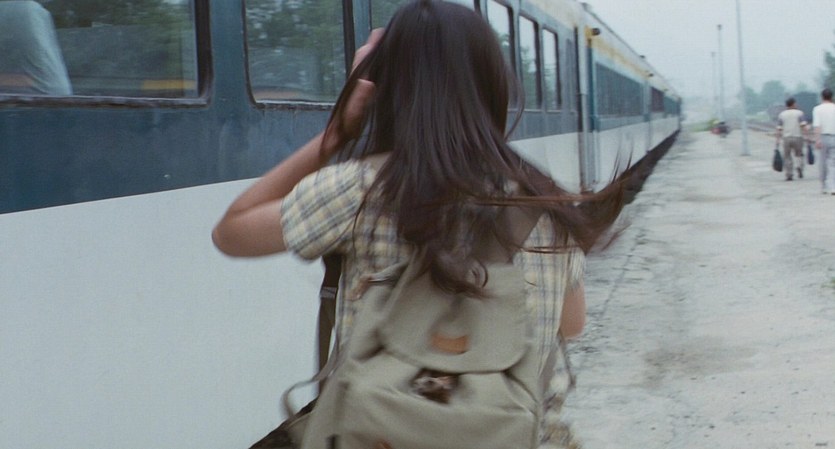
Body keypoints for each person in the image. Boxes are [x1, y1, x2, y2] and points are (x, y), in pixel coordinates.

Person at [212, 1, 624, 447]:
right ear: (495, 85)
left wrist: (339, 131)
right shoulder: (547, 203)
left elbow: (232, 231)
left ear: (383, 89)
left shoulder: (359, 189)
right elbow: (572, 324)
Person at [775, 97, 808, 181]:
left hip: (786, 138)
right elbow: (803, 125)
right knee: (799, 154)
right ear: (793, 104)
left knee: (787, 156)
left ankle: (789, 174)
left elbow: (779, 128)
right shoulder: (799, 113)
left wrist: (777, 140)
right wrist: (806, 135)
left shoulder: (782, 115)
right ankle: (799, 166)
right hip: (798, 137)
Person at [812, 88, 835, 194]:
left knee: (822, 163)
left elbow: (817, 125)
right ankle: (833, 186)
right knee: (833, 163)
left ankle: (824, 186)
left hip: (823, 137)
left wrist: (817, 139)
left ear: (822, 97)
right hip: (834, 137)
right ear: (832, 96)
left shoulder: (817, 109)